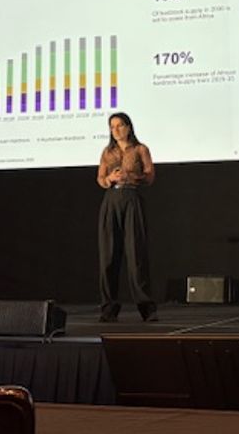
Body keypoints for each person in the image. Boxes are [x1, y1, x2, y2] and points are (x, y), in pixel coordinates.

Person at [95, 112, 157, 322]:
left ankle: (146, 308)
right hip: (111, 199)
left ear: (128, 127)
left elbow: (150, 176)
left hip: (131, 198)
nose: (116, 130)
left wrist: (130, 176)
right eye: (112, 127)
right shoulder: (107, 152)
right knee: (109, 255)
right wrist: (109, 178)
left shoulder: (140, 149)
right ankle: (108, 308)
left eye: (120, 125)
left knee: (136, 253)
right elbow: (100, 178)